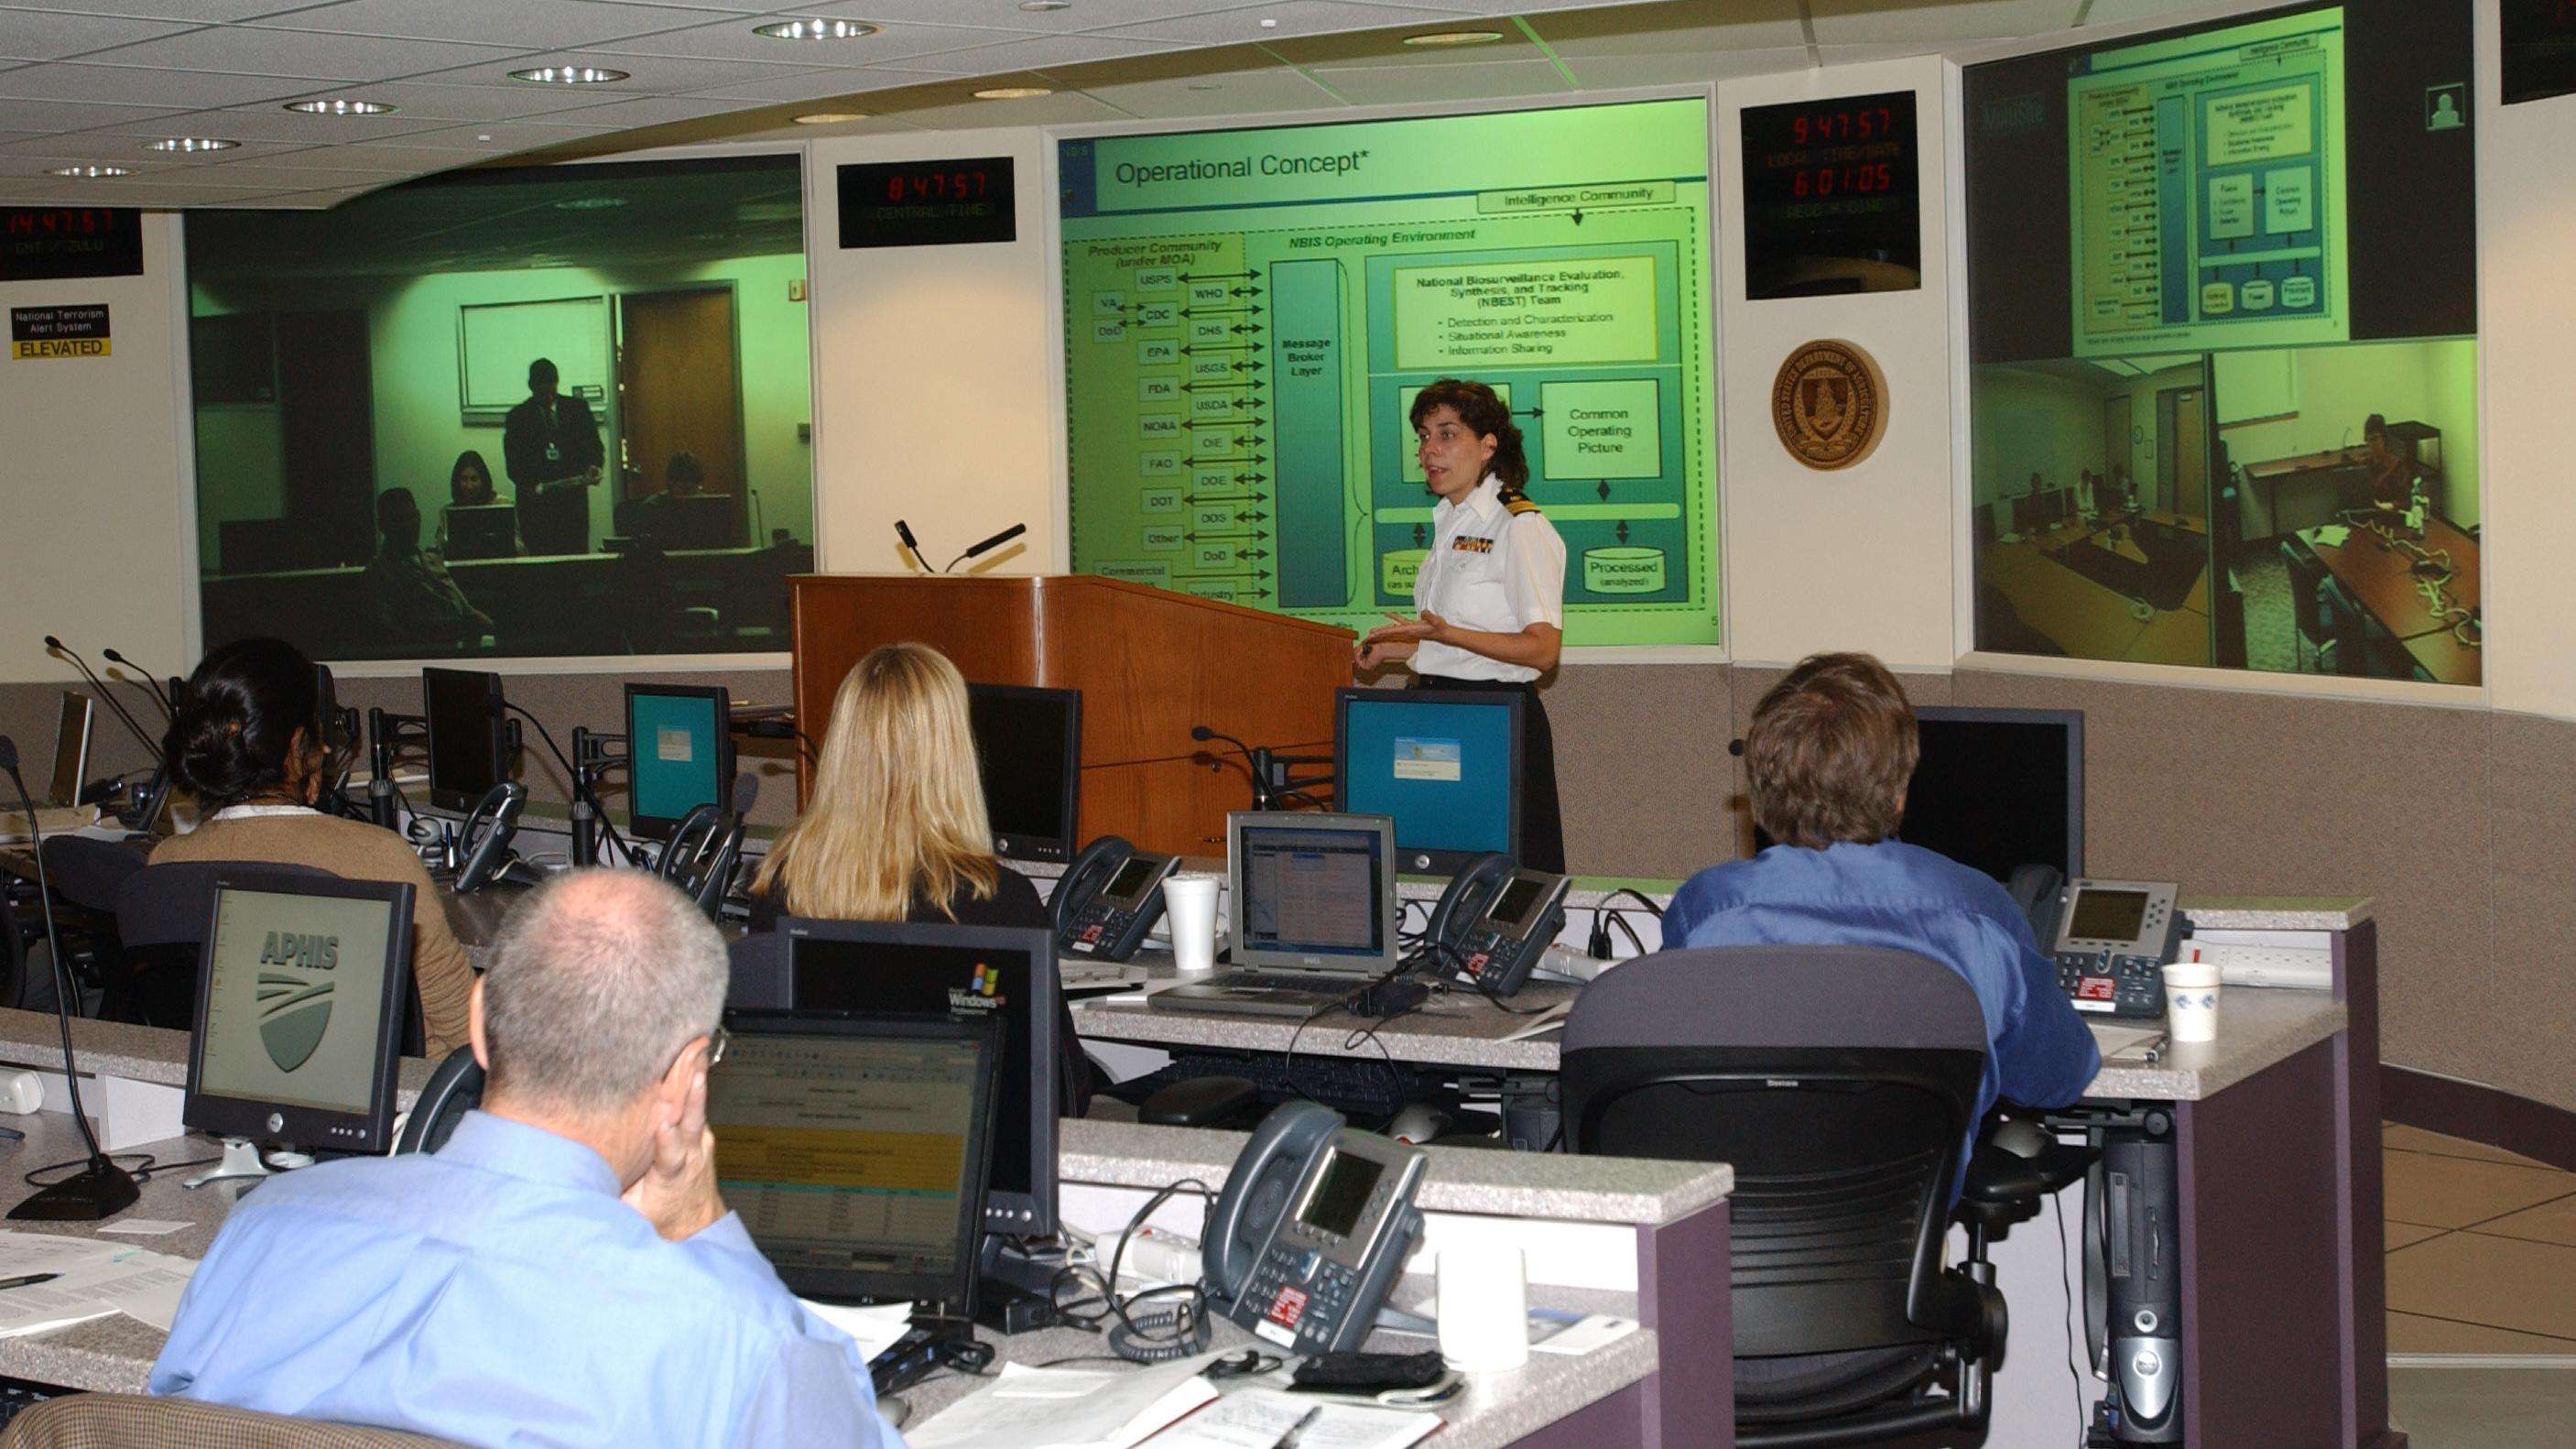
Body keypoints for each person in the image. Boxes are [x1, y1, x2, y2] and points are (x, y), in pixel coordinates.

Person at [150, 870, 899, 1449]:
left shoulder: (266, 1228)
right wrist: (706, 1229)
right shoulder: (731, 1334)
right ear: (686, 1078)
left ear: (477, 1022)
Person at [1662, 651, 2099, 1192]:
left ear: (1760, 794)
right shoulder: (1980, 916)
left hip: (1733, 1244)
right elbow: (2060, 1077)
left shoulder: (1706, 914)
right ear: (1898, 791)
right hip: (1899, 1255)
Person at [748, 642, 1092, 1116]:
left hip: (824, 1151)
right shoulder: (999, 899)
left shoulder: (780, 886)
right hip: (961, 1166)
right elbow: (1063, 1091)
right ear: (955, 753)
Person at [150, 637, 473, 1057]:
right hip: (382, 1115)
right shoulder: (380, 860)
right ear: (297, 747)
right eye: (318, 733)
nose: (324, 747)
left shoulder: (165, 867)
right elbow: (470, 1031)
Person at [1355, 378, 1570, 871]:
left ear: (1488, 445)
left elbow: (1541, 650)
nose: (1429, 450)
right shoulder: (1450, 521)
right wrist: (1401, 650)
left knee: (1496, 876)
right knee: (1432, 865)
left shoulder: (1519, 525)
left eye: (1447, 434)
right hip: (1436, 710)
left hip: (1493, 722)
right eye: (1423, 437)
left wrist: (1447, 634)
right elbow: (1460, 640)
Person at [363, 487, 493, 649]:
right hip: (430, 649)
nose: (408, 525)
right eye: (398, 519)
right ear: (383, 525)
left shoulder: (432, 559)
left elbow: (467, 610)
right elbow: (387, 630)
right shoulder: (380, 571)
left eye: (411, 517)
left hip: (461, 643)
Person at [503, 357, 603, 555]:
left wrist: (595, 466)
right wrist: (533, 485)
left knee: (575, 565)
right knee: (540, 569)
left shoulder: (578, 410)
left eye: (552, 389)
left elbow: (595, 448)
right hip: (536, 508)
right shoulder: (518, 418)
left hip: (572, 506)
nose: (548, 397)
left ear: (557, 383)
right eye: (542, 391)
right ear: (531, 386)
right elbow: (514, 466)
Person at [2362, 413, 2418, 510]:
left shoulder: (2396, 465)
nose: (2372, 444)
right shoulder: (2365, 464)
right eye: (2369, 440)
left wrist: (2388, 506)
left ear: (2384, 438)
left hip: (2390, 514)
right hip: (2370, 514)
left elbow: (2407, 502)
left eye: (2375, 439)